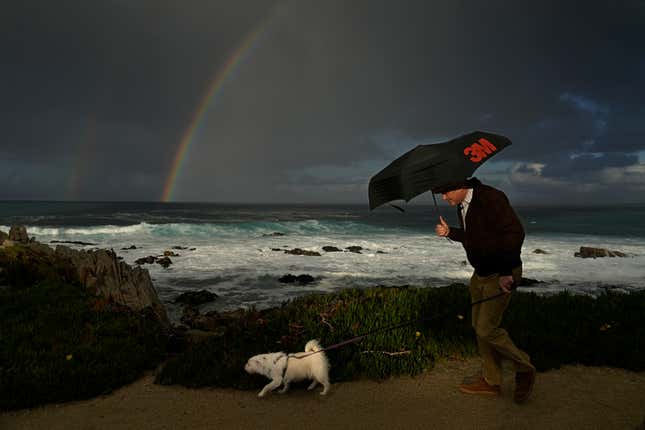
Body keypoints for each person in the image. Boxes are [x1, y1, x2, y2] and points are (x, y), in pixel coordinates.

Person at [433, 177, 536, 404]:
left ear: (460, 185)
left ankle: (525, 367)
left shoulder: (491, 197)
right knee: (478, 327)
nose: (443, 197)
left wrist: (506, 271)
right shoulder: (462, 203)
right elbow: (475, 237)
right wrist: (451, 232)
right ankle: (492, 381)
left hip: (500, 274)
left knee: (486, 329)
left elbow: (514, 233)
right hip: (480, 274)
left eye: (445, 192)